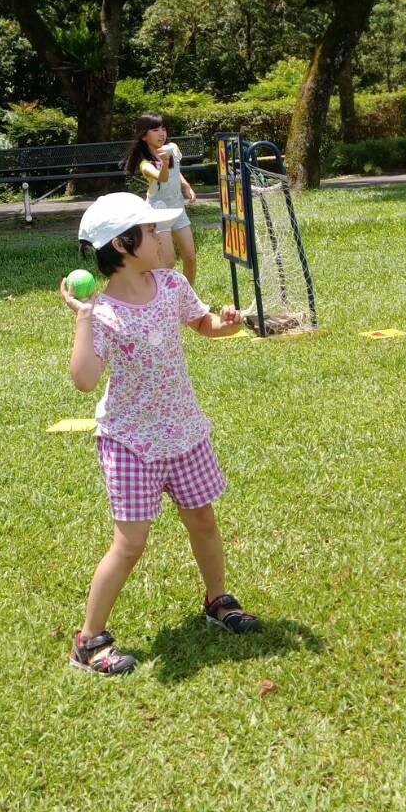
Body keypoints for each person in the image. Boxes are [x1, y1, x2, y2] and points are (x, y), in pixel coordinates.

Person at [59, 192, 260, 676]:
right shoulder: (102, 312)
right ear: (122, 244)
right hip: (131, 442)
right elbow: (84, 380)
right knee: (130, 544)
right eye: (151, 232)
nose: (160, 238)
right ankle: (88, 641)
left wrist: (226, 323)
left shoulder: (171, 284)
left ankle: (218, 600)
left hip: (184, 431)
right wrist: (83, 316)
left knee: (203, 521)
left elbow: (203, 324)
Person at [121, 113, 198, 285]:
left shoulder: (172, 148)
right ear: (143, 136)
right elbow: (162, 177)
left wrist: (186, 186)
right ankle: (155, 295)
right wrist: (164, 161)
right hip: (158, 211)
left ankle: (187, 296)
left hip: (178, 208)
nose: (161, 133)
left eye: (163, 129)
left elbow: (175, 171)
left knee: (190, 257)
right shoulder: (146, 164)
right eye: (155, 130)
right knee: (168, 262)